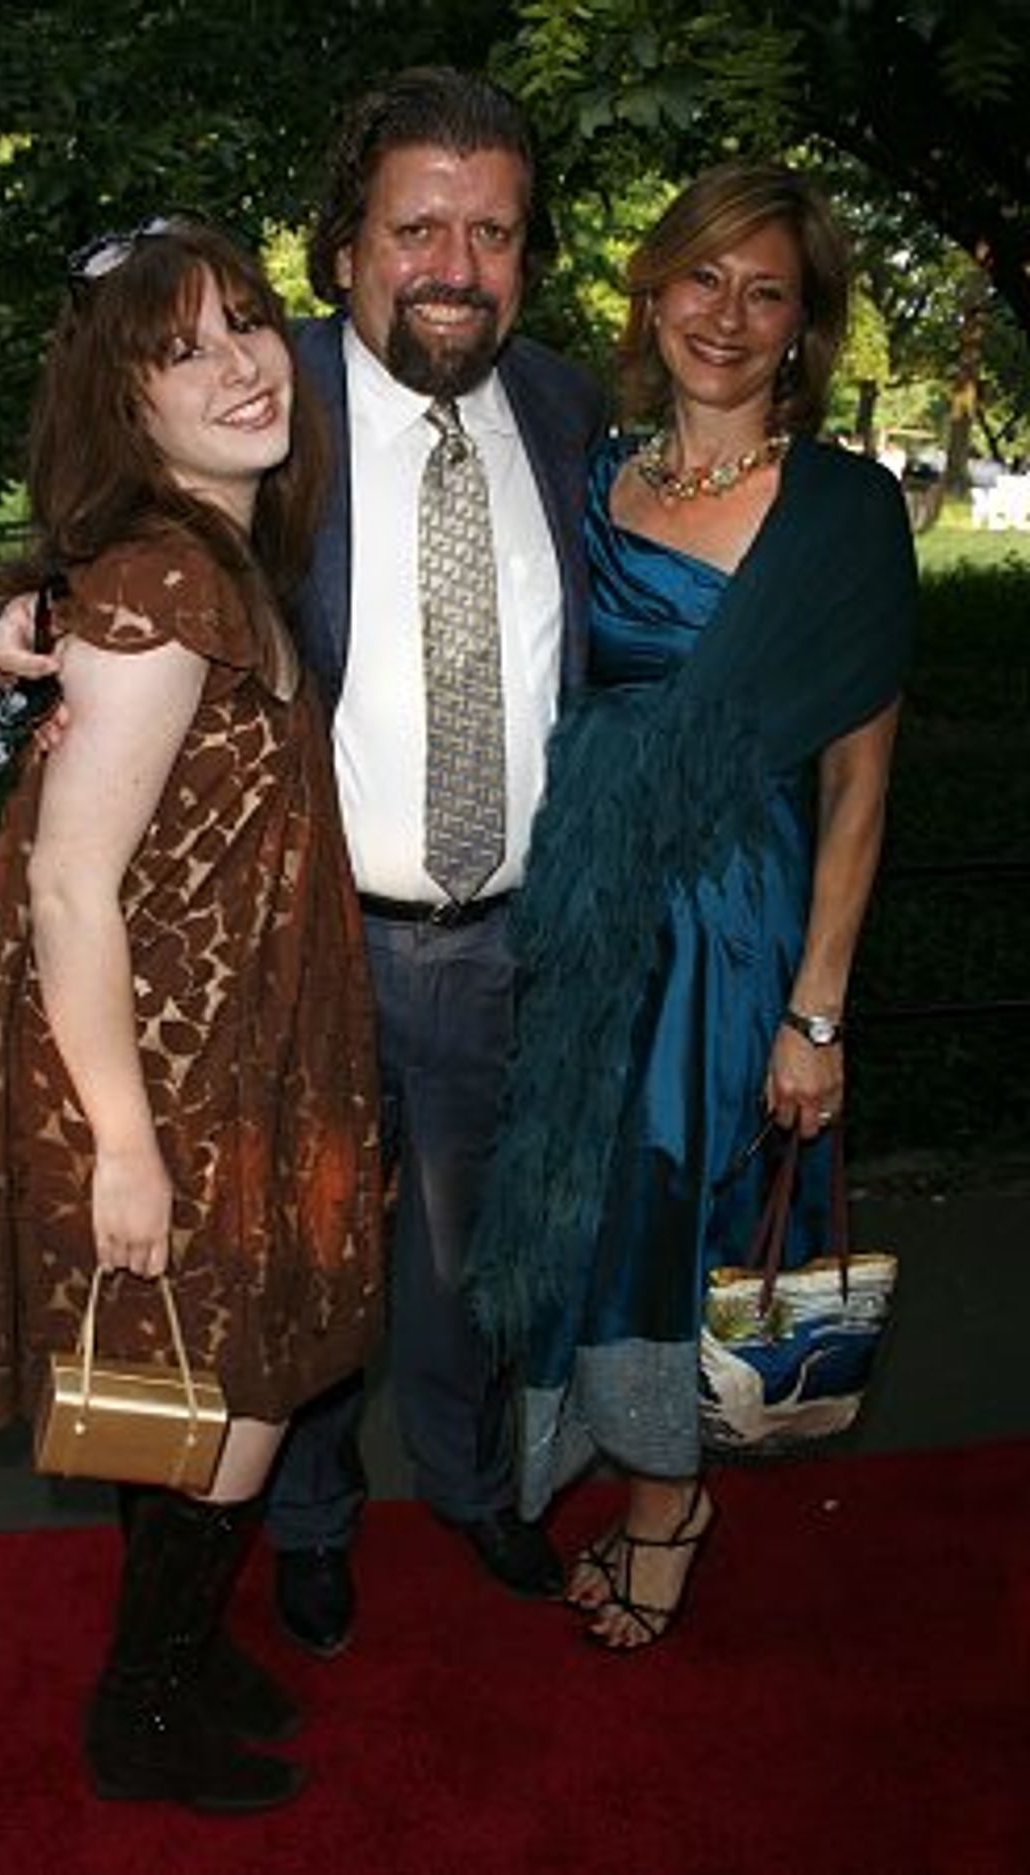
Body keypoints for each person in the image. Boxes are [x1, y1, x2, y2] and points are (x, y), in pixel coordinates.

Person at [0, 67, 608, 1656]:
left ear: (528, 256)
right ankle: (313, 1531)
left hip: (509, 935)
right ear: (345, 252)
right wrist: (40, 605)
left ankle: (469, 1490)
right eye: (417, 228)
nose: (455, 265)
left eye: (492, 231)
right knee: (297, 1274)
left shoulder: (563, 407)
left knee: (472, 1258)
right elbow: (127, 499)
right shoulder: (278, 397)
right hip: (312, 953)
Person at [0, 218, 384, 1807]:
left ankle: (179, 1657)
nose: (240, 363)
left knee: (207, 1385)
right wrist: (125, 1148)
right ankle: (139, 1708)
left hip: (232, 1059)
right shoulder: (155, 585)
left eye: (248, 324)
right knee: (239, 1394)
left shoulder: (194, 566)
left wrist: (31, 619)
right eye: (180, 350)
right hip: (166, 1081)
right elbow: (72, 889)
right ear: (125, 404)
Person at [468, 161, 917, 1651]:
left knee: (678, 1203)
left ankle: (671, 1505)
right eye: (701, 279)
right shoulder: (590, 479)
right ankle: (640, 1475)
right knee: (585, 1201)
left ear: (804, 327)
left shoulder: (847, 513)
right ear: (650, 296)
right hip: (591, 911)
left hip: (738, 925)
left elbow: (859, 784)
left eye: (765, 290)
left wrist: (817, 1008)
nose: (726, 315)